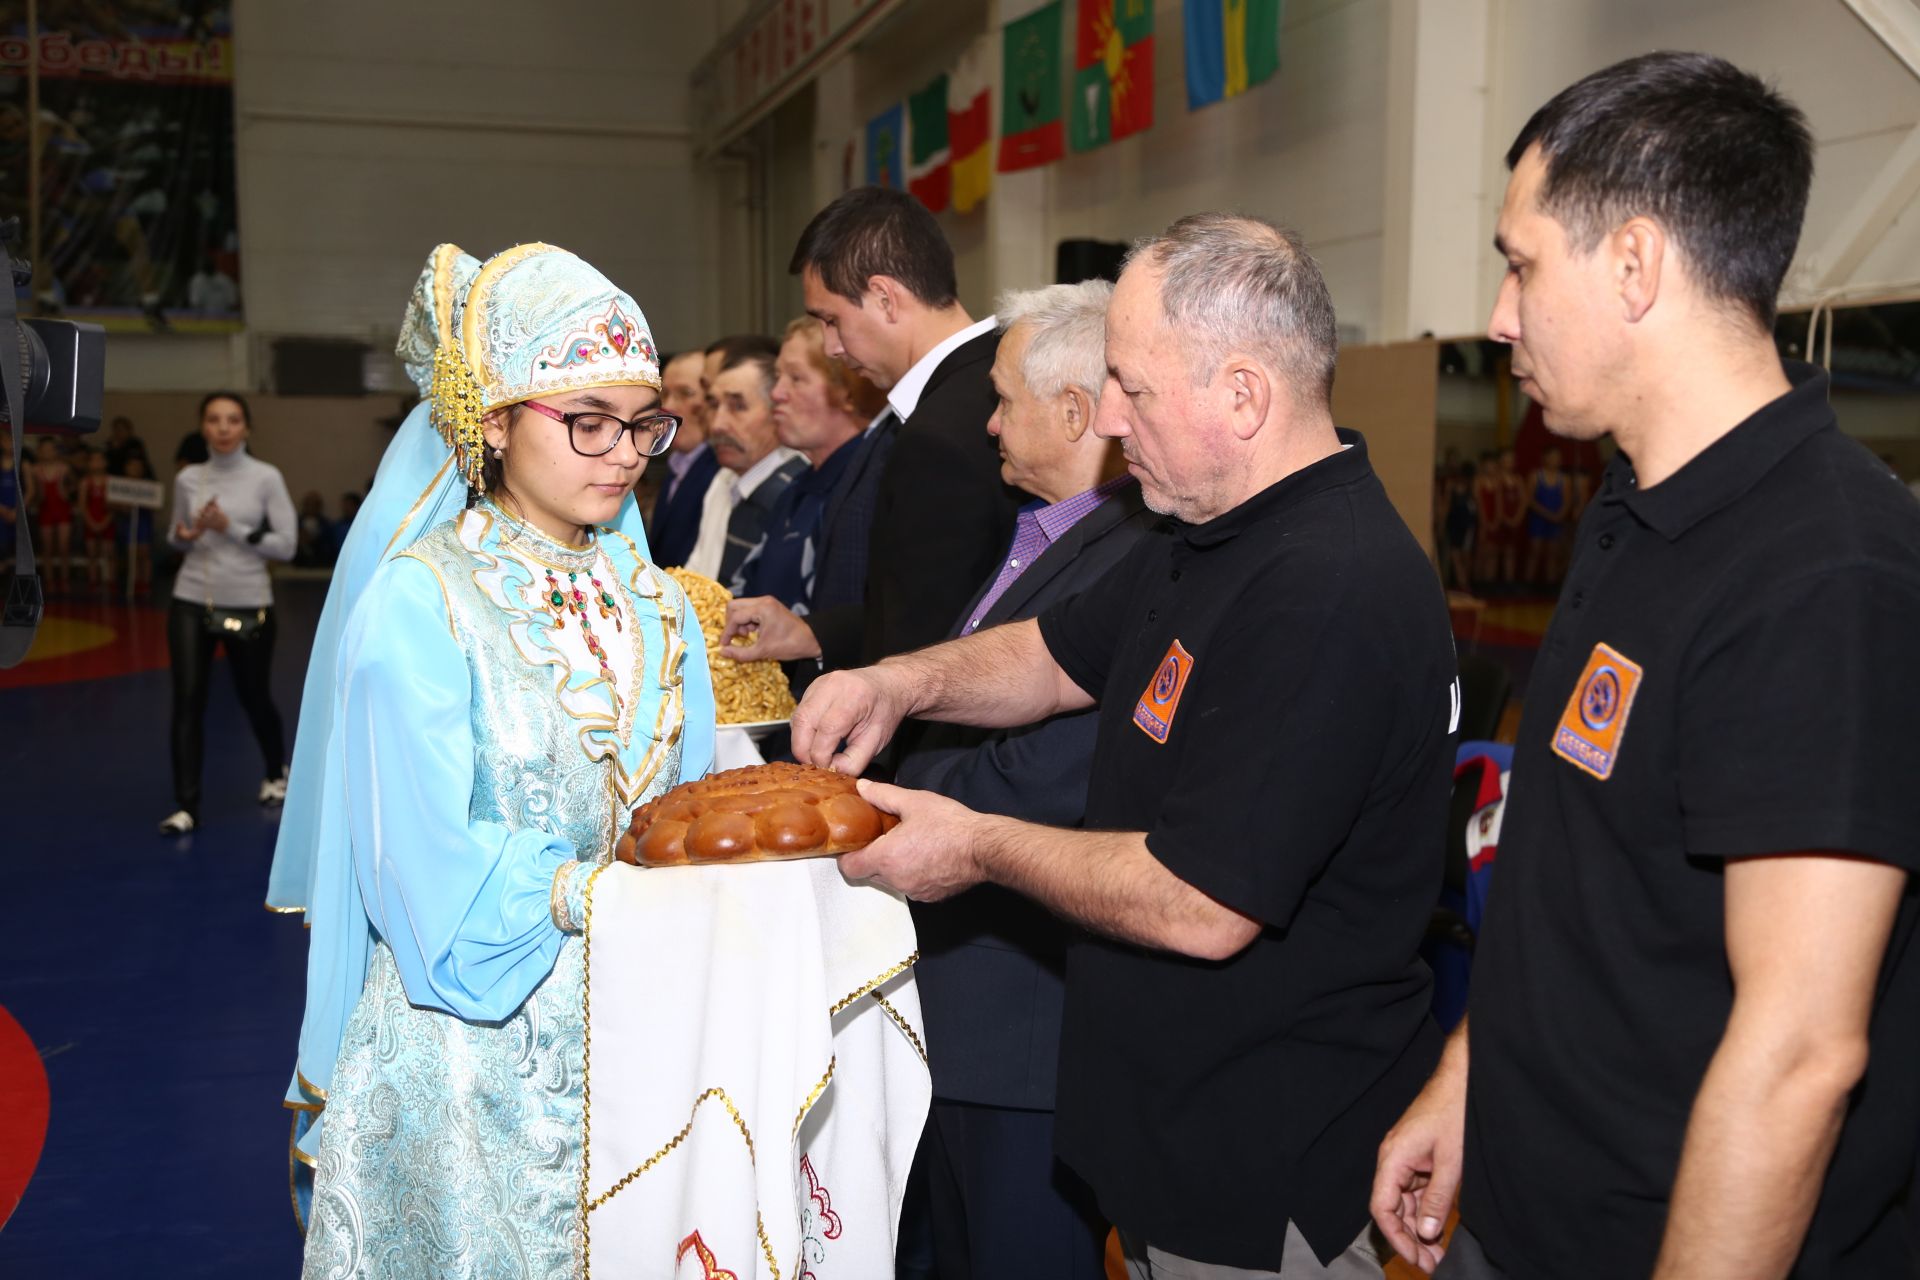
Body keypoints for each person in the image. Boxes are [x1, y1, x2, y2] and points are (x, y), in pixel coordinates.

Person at [793, 213, 1457, 1278]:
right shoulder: (1201, 528)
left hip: (1267, 1156)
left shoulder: (1327, 585)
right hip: (1169, 1131)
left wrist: (976, 844)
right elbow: (1055, 652)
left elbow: (1203, 902)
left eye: (1134, 389)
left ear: (1244, 394)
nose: (1108, 416)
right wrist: (897, 679)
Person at [1371, 52, 1920, 1280]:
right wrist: (1470, 1078)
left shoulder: (1826, 575)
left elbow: (1799, 1053)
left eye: (1521, 264)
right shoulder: (1636, 510)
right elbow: (1580, 874)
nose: (1501, 314)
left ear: (1634, 263)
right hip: (1521, 1216)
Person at [286, 242, 715, 1275]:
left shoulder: (663, 606)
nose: (622, 453)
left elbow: (692, 806)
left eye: (642, 423)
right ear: (491, 421)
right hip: (469, 1050)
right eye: (587, 421)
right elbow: (418, 863)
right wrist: (593, 892)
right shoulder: (422, 600)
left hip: (646, 1030)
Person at [894, 278, 1153, 1280]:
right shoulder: (1038, 533)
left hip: (1027, 1010)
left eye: (1005, 399)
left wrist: (896, 802)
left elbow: (1062, 768)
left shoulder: (1132, 551)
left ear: (1078, 411)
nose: (991, 422)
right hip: (963, 983)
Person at [720, 186, 1018, 706]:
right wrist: (816, 634)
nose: (832, 347)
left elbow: (932, 637)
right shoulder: (987, 380)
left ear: (884, 296)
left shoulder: (943, 428)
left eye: (832, 320)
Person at [158, 392, 297, 834]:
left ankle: (276, 772)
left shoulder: (265, 478)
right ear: (202, 427)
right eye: (214, 420)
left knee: (253, 695)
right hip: (192, 597)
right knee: (188, 699)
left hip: (249, 600)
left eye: (232, 420)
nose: (223, 428)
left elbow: (287, 546)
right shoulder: (189, 479)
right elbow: (176, 538)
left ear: (246, 428)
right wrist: (187, 533)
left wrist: (229, 528)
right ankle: (186, 806)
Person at [733, 315, 885, 608]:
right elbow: (746, 588)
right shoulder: (798, 487)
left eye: (796, 378)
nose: (776, 394)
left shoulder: (865, 491)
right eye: (778, 377)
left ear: (848, 390)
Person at [684, 343, 805, 585]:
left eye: (738, 406)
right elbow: (696, 578)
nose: (717, 424)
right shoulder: (721, 481)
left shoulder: (794, 494)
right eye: (714, 405)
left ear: (777, 411)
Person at [648, 348, 717, 567]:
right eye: (664, 394)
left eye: (685, 393)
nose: (669, 406)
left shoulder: (723, 472)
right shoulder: (678, 465)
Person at [26, 437, 74, 592]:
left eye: (50, 449)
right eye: (44, 449)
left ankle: (65, 579)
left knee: (63, 546)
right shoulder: (34, 470)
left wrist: (66, 491)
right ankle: (50, 580)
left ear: (55, 451)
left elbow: (74, 485)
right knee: (47, 547)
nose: (47, 452)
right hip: (45, 510)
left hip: (62, 509)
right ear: (39, 451)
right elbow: (32, 493)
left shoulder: (64, 468)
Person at [1520, 442, 1567, 587]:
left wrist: (1559, 515)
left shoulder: (1564, 479)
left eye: (1558, 457)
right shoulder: (1535, 476)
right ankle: (1528, 584)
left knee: (1553, 554)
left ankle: (1550, 584)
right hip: (1538, 518)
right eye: (1553, 457)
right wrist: (1548, 514)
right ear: (1545, 458)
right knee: (1535, 551)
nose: (1556, 460)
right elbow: (1529, 500)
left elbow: (1567, 501)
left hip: (1555, 519)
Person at [77, 447, 115, 588]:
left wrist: (105, 522)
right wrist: (92, 523)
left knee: (109, 554)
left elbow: (114, 506)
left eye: (100, 460)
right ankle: (93, 582)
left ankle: (110, 583)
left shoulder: (111, 481)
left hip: (107, 521)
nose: (97, 463)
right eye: (94, 460)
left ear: (105, 462)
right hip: (91, 521)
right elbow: (82, 505)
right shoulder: (85, 482)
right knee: (92, 554)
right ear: (88, 464)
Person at [117, 454, 154, 592]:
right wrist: (123, 507)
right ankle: (134, 582)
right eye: (132, 466)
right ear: (126, 468)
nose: (135, 469)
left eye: (138, 467)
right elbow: (113, 503)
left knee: (144, 553)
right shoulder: (120, 484)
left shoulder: (148, 485)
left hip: (143, 522)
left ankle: (146, 583)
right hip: (128, 522)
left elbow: (156, 504)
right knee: (132, 554)